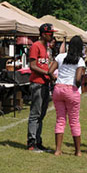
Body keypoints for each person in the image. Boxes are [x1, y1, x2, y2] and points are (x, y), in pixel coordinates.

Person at [48, 36, 85, 156]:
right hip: (71, 90)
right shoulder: (79, 60)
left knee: (60, 119)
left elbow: (50, 71)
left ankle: (58, 150)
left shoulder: (60, 56)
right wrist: (78, 85)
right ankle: (78, 151)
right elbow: (78, 78)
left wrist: (55, 80)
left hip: (58, 89)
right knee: (74, 120)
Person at [27, 23, 56, 152]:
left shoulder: (46, 47)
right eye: (50, 34)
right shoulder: (36, 46)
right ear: (44, 34)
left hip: (45, 83)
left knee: (41, 114)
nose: (52, 36)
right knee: (35, 113)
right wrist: (47, 73)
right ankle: (31, 143)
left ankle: (38, 141)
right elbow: (32, 65)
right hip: (37, 83)